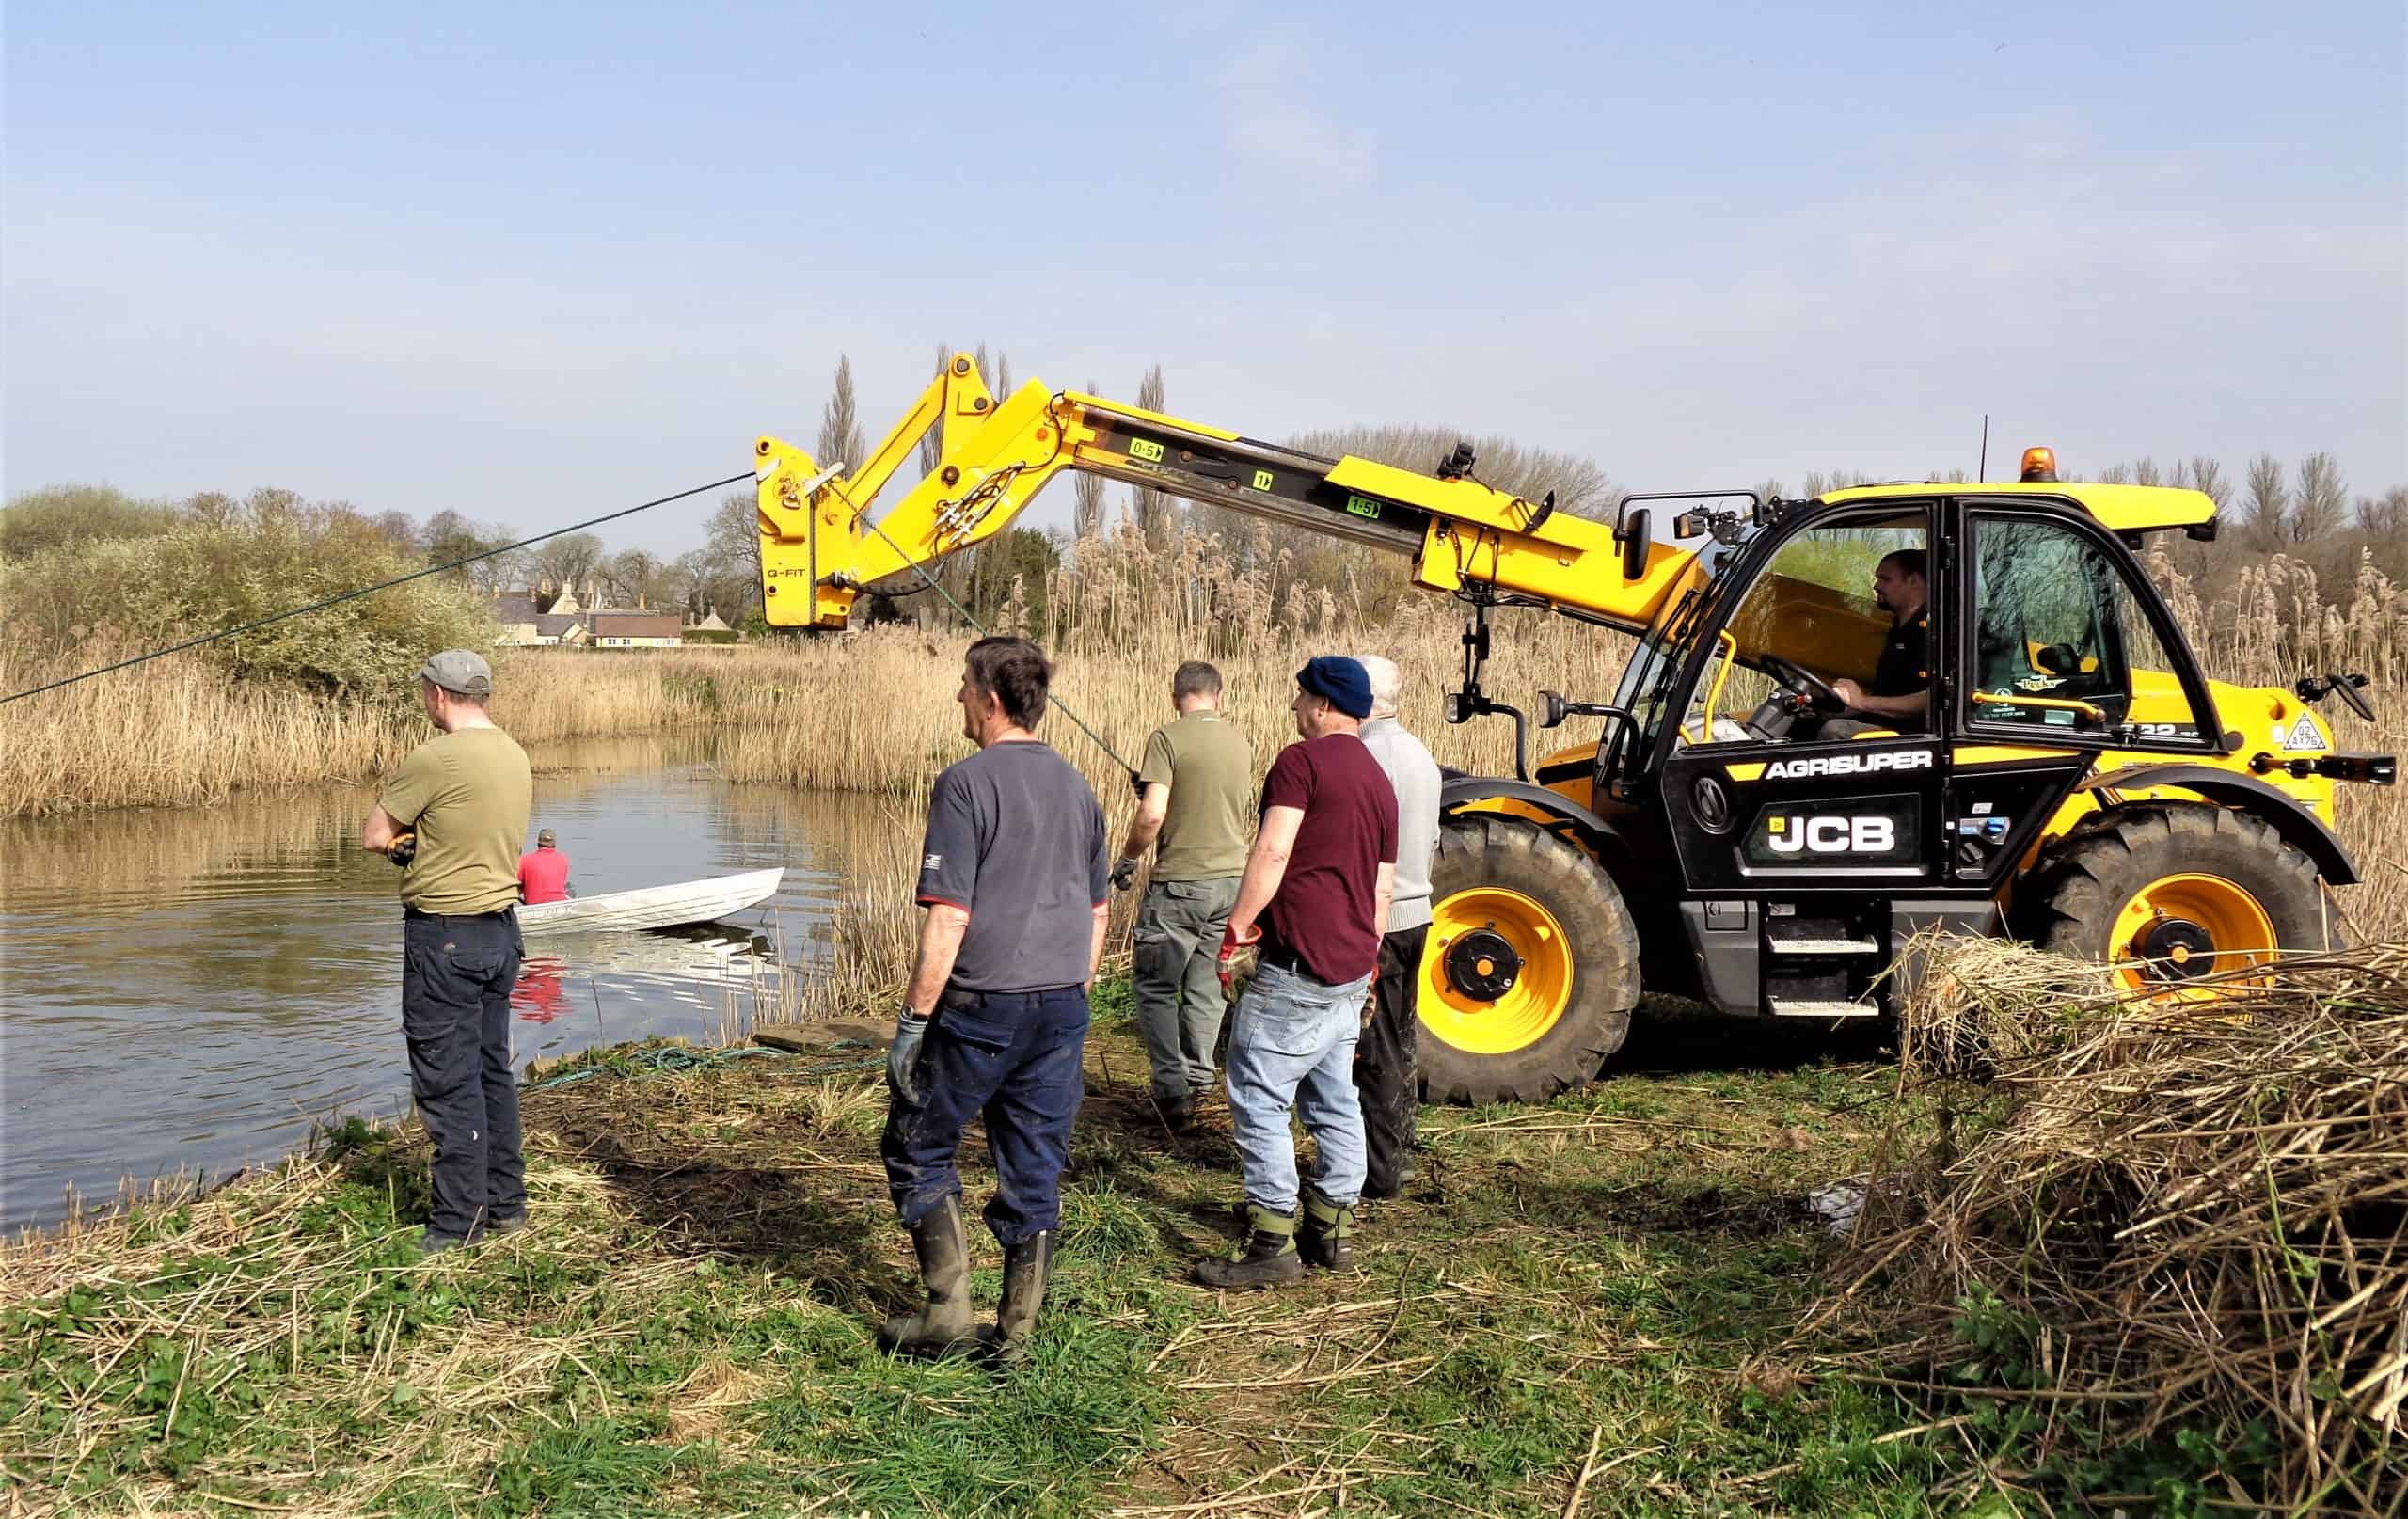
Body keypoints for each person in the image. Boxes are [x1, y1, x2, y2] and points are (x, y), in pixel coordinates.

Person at [878, 637, 1110, 1360]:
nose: (958, 697)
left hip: (982, 1005)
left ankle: (947, 1313)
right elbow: (1099, 910)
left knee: (917, 1143)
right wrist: (1075, 987)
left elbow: (949, 915)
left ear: (991, 698)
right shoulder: (1078, 784)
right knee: (1035, 1159)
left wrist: (914, 1021)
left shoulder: (966, 782)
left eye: (963, 685)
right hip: (1063, 1003)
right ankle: (1018, 1335)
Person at [1196, 657, 1396, 1290]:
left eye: (1300, 696)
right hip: (1349, 967)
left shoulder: (1299, 763)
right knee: (1336, 1097)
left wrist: (1237, 929)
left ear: (1322, 704)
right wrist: (1368, 957)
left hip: (1296, 962)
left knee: (1258, 1094)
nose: (1293, 707)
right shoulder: (1379, 780)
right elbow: (1382, 886)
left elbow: (1274, 848)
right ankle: (1330, 1226)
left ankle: (1272, 1239)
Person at [359, 650, 534, 1255]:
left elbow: (375, 836)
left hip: (444, 936)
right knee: (492, 1071)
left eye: (423, 692)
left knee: (446, 1079)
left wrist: (405, 847)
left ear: (437, 694)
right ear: (481, 694)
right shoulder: (514, 753)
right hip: (501, 933)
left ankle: (457, 1224)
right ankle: (507, 1206)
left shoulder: (433, 757)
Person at [1114, 660, 1254, 1129]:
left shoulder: (1167, 738)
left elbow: (1153, 816)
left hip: (1181, 884)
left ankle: (1171, 1091)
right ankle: (1199, 1078)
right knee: (1206, 986)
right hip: (1232, 883)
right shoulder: (1240, 742)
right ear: (1220, 695)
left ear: (1176, 696)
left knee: (1154, 985)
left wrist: (1129, 859)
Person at [1349, 655, 1440, 1201]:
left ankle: (1377, 1174)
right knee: (1400, 1037)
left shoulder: (1368, 756)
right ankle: (1397, 1149)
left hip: (1382, 919)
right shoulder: (1418, 753)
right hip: (1418, 912)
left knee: (1373, 1047)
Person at [1828, 548, 1930, 735]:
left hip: (1913, 733)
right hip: (1883, 721)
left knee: (1835, 731)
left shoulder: (1934, 632)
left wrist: (1863, 702)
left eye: (1886, 579)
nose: (1876, 586)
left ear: (1913, 581)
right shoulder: (1896, 627)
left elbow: (1931, 699)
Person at [517, 828, 572, 905]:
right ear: (554, 844)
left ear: (538, 843)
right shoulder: (564, 860)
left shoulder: (524, 860)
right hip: (560, 904)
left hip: (534, 907)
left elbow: (516, 887)